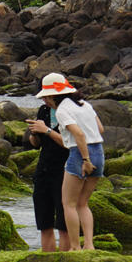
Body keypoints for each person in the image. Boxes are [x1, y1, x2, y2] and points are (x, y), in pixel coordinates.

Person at [43, 73, 104, 251]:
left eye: (46, 97)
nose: (45, 101)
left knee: (68, 204)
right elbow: (100, 129)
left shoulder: (62, 110)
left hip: (79, 153)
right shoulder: (85, 104)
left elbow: (78, 134)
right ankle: (89, 245)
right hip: (99, 151)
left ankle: (75, 247)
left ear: (53, 96)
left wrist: (85, 159)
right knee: (82, 203)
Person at [25, 74, 70, 252]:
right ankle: (48, 258)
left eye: (47, 96)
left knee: (64, 222)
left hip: (65, 169)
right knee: (44, 221)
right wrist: (35, 134)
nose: (44, 100)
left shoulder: (70, 111)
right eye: (43, 96)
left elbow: (70, 143)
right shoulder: (43, 111)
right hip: (43, 168)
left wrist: (47, 130)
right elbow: (36, 145)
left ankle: (65, 260)